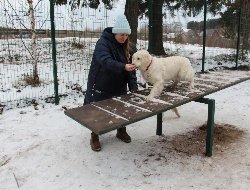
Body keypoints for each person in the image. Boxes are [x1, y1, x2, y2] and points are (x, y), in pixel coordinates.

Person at [84, 14, 138, 151]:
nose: (124, 37)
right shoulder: (103, 43)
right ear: (115, 32)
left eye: (126, 35)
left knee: (121, 108)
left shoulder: (129, 47)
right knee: (98, 110)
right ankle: (95, 136)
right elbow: (105, 61)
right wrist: (123, 67)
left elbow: (131, 69)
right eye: (121, 34)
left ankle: (121, 130)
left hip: (119, 84)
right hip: (101, 83)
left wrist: (133, 85)